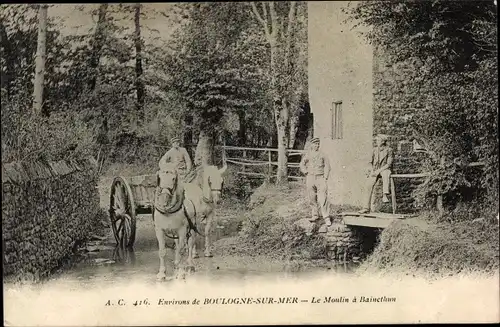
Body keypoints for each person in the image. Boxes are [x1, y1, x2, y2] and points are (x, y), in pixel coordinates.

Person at [299, 137, 332, 226]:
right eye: (315, 144)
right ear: (311, 145)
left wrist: (325, 177)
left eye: (318, 144)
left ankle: (326, 217)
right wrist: (305, 172)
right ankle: (315, 215)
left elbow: (327, 166)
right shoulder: (308, 154)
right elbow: (302, 164)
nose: (317, 145)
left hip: (320, 178)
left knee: (323, 198)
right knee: (312, 197)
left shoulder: (323, 155)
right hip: (310, 177)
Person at [359, 134, 394, 214]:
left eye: (378, 140)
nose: (376, 142)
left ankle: (385, 194)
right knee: (368, 185)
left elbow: (388, 164)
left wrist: (379, 171)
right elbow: (369, 162)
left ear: (383, 141)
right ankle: (365, 207)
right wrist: (372, 171)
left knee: (385, 174)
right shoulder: (374, 150)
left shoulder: (389, 150)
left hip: (384, 169)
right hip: (375, 170)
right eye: (376, 140)